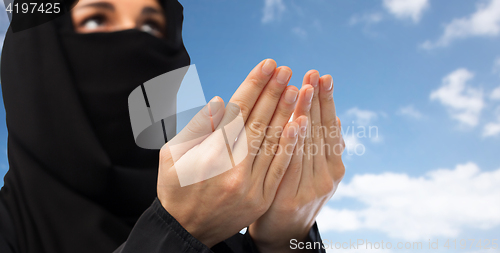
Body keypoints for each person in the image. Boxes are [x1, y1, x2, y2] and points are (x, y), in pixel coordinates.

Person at [0, 0, 345, 252]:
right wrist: (177, 232)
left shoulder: (224, 233)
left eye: (152, 25)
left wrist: (285, 239)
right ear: (34, 57)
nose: (134, 39)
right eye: (96, 19)